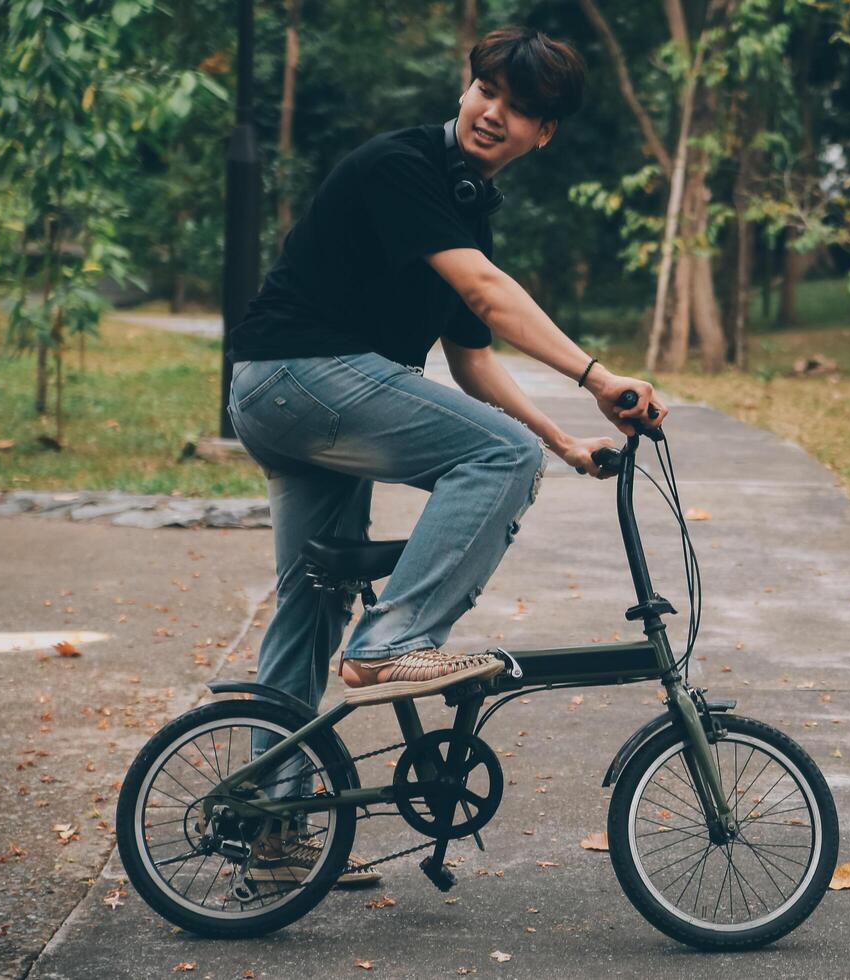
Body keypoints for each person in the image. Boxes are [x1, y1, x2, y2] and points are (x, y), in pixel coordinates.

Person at [224, 27, 665, 881]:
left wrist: (567, 441)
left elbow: (471, 359)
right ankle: (396, 640)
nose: (494, 114)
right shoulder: (404, 167)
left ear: (545, 133)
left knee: (312, 603)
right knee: (497, 459)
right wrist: (595, 375)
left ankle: (265, 826)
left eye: (522, 108)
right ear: (465, 89)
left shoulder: (462, 207)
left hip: (290, 395)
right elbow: (486, 297)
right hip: (298, 376)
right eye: (486, 91)